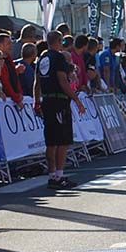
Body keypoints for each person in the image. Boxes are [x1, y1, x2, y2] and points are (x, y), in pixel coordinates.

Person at [34, 31, 86, 190]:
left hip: (47, 101)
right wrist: (77, 100)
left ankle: (52, 175)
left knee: (51, 140)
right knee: (62, 141)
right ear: (59, 41)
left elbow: (37, 83)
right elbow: (63, 81)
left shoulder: (42, 58)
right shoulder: (58, 57)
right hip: (59, 102)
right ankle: (59, 175)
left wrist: (37, 101)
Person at [0, 33, 24, 107]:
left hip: (11, 101)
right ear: (0, 45)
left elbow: (15, 79)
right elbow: (5, 83)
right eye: (8, 44)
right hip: (3, 103)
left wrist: (20, 94)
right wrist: (16, 98)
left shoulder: (9, 60)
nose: (11, 46)